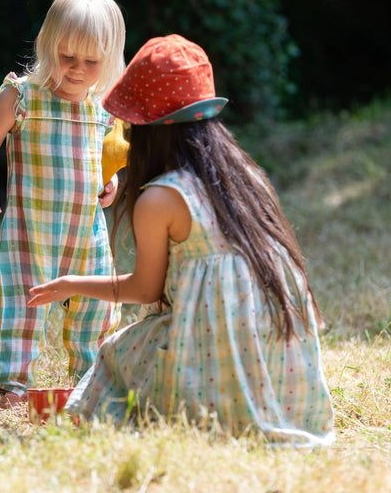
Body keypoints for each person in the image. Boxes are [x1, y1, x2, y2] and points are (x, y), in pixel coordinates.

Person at [28, 34, 335, 446]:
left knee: (117, 353)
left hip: (213, 351)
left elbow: (144, 289)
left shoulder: (161, 197)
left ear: (147, 130)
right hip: (280, 362)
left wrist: (70, 284)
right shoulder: (246, 176)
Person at [0, 0, 126, 409]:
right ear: (47, 44)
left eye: (91, 61)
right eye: (66, 56)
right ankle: (13, 385)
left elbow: (108, 162)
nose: (76, 69)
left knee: (95, 310)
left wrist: (110, 185)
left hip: (86, 235)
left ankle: (91, 382)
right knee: (23, 307)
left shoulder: (104, 108)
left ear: (109, 59)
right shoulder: (22, 97)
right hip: (30, 233)